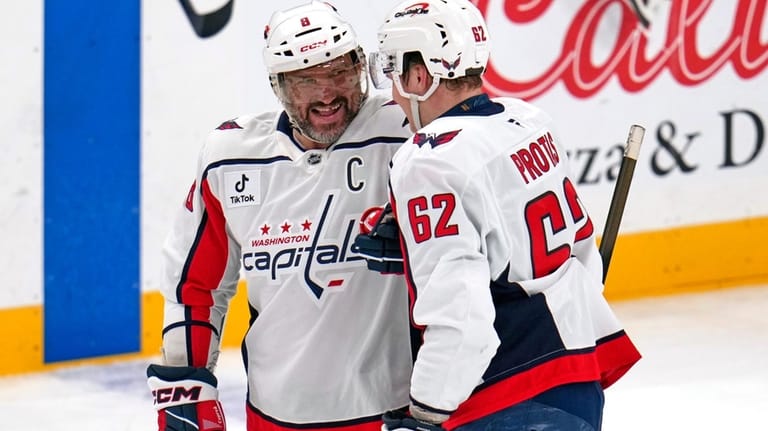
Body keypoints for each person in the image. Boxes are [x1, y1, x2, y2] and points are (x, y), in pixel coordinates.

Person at [359, 1, 642, 430]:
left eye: (397, 74)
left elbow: (463, 314)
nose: (395, 93)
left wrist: (425, 412)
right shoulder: (528, 120)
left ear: (420, 76)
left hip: (503, 398)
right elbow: (581, 261)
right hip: (576, 382)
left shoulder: (428, 159)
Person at [145, 2, 415, 431]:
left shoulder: (406, 133)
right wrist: (186, 387)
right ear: (278, 85)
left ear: (361, 67)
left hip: (392, 412)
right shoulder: (230, 158)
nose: (327, 93)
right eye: (306, 79)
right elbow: (195, 284)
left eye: (338, 72)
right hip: (273, 415)